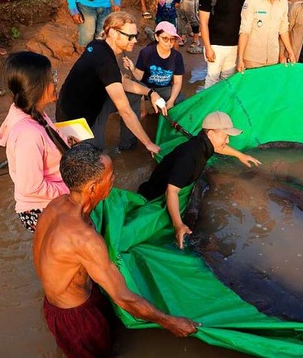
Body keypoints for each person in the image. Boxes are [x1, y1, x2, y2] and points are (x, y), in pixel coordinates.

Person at [33, 143, 199, 358]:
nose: (114, 180)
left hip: (60, 303)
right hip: (76, 317)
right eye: (110, 177)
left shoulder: (55, 205)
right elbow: (124, 298)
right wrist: (171, 322)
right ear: (92, 188)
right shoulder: (84, 238)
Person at [138, 111, 261, 249]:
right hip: (155, 197)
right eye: (226, 136)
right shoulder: (189, 157)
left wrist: (240, 155)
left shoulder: (202, 143)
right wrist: (178, 225)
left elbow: (220, 147)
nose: (228, 141)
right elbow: (171, 192)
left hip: (175, 186)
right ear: (211, 134)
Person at [56, 11, 162, 154]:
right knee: (95, 159)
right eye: (130, 36)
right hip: (76, 121)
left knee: (135, 94)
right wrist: (148, 143)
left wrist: (151, 92)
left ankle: (128, 145)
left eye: (135, 36)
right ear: (112, 32)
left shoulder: (98, 45)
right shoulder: (106, 61)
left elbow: (120, 81)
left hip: (90, 102)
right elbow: (125, 111)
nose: (135, 41)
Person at [0, 52, 70, 232]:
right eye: (51, 77)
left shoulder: (32, 111)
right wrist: (72, 191)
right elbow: (31, 187)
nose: (55, 82)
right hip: (43, 208)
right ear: (36, 87)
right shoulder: (28, 134)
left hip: (55, 196)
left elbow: (47, 137)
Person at [198, 0, 246, 89]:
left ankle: (222, 109)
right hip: (215, 46)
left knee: (227, 82)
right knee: (212, 80)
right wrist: (208, 48)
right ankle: (208, 109)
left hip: (233, 46)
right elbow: (203, 23)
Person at [237, 0, 295, 72]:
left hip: (272, 60)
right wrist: (240, 59)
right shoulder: (252, 1)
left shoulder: (283, 1)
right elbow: (244, 31)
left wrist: (290, 52)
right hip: (252, 60)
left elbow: (283, 29)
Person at [124, 21, 185, 112]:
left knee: (181, 100)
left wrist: (171, 101)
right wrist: (132, 68)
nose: (169, 42)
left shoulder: (177, 56)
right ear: (157, 37)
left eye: (172, 39)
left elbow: (177, 82)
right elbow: (139, 77)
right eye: (165, 38)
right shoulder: (146, 52)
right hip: (146, 87)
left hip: (165, 88)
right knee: (133, 98)